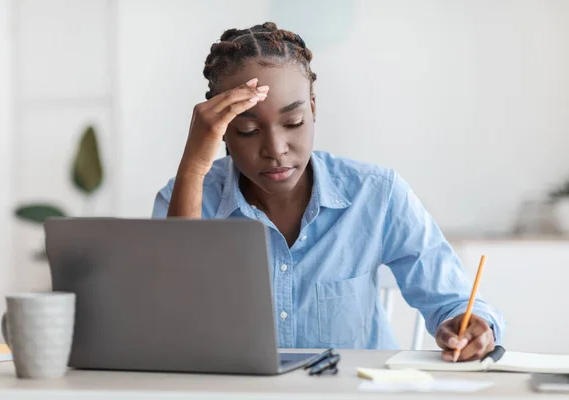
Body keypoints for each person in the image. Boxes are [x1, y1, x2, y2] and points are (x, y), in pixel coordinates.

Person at [152, 22, 504, 361]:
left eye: (293, 123)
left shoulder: (377, 195)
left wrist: (470, 325)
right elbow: (168, 320)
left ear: (314, 110)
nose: (275, 149)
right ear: (222, 131)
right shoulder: (186, 198)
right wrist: (194, 166)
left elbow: (454, 301)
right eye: (246, 130)